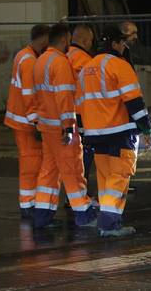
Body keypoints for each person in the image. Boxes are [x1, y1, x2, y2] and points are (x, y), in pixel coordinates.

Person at [75, 25, 151, 237]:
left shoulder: (86, 69)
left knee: (105, 177)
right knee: (119, 176)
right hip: (120, 132)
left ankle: (106, 222)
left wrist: (83, 131)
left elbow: (79, 106)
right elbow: (134, 102)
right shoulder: (120, 65)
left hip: (95, 134)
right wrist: (147, 129)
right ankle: (109, 224)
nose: (125, 46)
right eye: (122, 42)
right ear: (115, 44)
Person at [31, 24, 97, 229]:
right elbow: (64, 98)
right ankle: (83, 213)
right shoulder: (60, 63)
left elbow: (39, 96)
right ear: (64, 39)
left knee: (49, 171)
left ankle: (42, 215)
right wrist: (69, 127)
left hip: (47, 126)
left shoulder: (40, 61)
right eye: (69, 39)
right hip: (61, 128)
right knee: (72, 169)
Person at [4, 24, 50, 218]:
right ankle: (28, 205)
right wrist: (36, 121)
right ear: (43, 38)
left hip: (19, 119)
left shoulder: (23, 55)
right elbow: (30, 95)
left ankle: (28, 204)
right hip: (26, 122)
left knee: (29, 163)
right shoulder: (30, 61)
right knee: (31, 164)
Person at [67, 24, 97, 198]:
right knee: (84, 154)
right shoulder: (85, 60)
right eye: (91, 41)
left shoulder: (63, 56)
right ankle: (79, 195)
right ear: (85, 41)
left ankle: (72, 194)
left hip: (63, 114)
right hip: (81, 114)